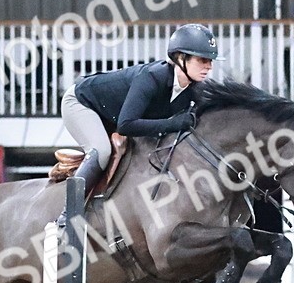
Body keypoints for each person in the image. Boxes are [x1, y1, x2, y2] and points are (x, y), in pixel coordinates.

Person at [60, 23, 220, 195]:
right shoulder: (151, 77)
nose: (209, 66)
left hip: (112, 114)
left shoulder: (193, 90)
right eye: (202, 60)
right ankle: (70, 209)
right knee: (102, 151)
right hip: (81, 102)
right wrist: (173, 123)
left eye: (210, 61)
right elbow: (126, 125)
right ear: (181, 58)